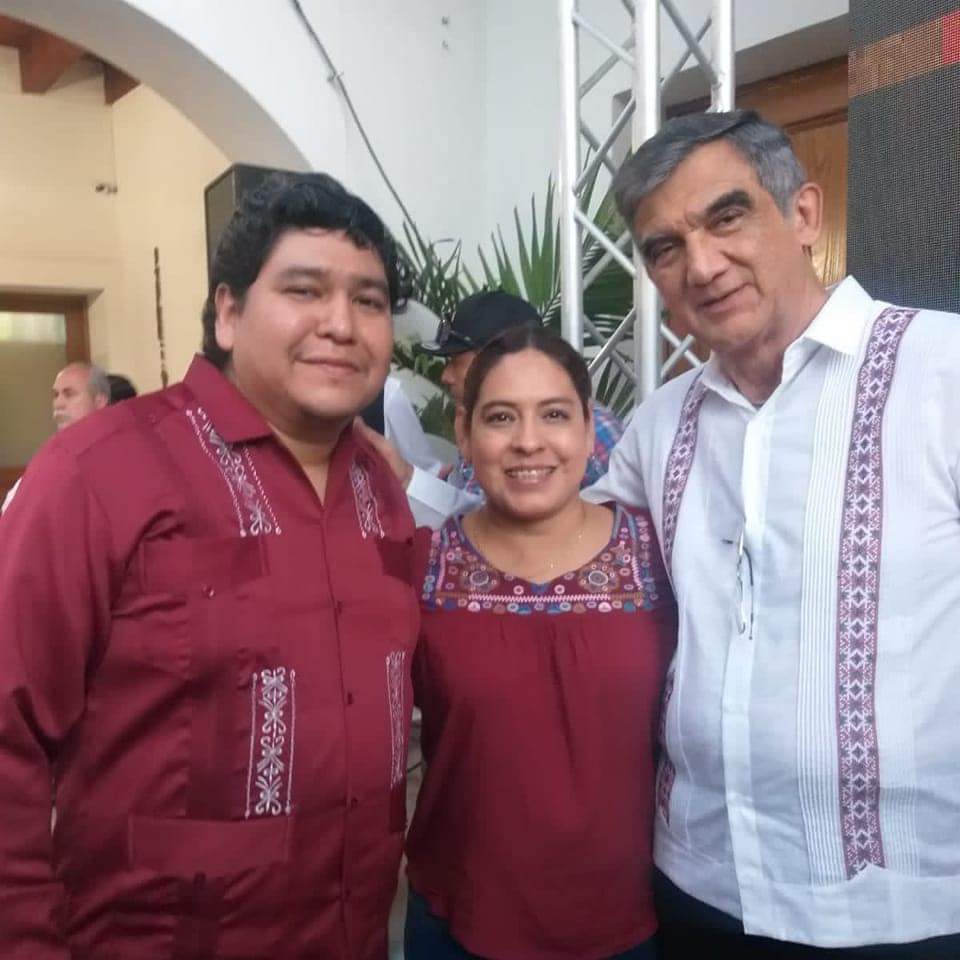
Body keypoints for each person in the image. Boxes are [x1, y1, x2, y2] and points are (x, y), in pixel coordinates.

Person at [0, 172, 419, 959]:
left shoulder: (382, 492)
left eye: (369, 301)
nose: (341, 324)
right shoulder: (101, 471)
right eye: (305, 290)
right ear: (228, 312)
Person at [586, 109, 960, 957]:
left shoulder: (941, 371)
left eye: (727, 217)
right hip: (703, 886)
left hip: (910, 907)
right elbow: (566, 552)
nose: (702, 265)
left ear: (803, 215)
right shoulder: (659, 424)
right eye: (665, 248)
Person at [404, 326, 676, 960]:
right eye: (501, 417)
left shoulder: (660, 556)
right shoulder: (423, 567)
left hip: (631, 922)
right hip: (459, 917)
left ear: (589, 427)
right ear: (465, 432)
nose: (529, 441)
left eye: (554, 414)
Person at [366, 290, 625, 527]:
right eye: (502, 418)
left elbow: (502, 527)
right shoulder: (479, 424)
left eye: (554, 416)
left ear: (493, 359)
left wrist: (410, 480)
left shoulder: (599, 433)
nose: (446, 375)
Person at [1, 362, 112, 514]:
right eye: (56, 395)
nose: (58, 404)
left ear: (99, 401)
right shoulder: (48, 455)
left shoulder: (116, 454)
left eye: (69, 394)